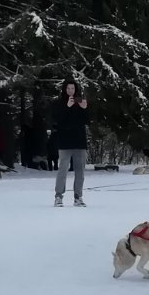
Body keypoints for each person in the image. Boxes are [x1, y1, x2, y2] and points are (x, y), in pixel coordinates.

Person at [52, 78, 89, 207]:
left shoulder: (80, 102)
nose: (70, 91)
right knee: (62, 170)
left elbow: (88, 121)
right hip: (64, 142)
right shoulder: (59, 103)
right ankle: (58, 196)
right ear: (64, 89)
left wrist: (84, 108)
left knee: (80, 171)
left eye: (72, 88)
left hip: (79, 141)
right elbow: (57, 120)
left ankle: (78, 197)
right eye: (68, 88)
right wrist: (67, 107)